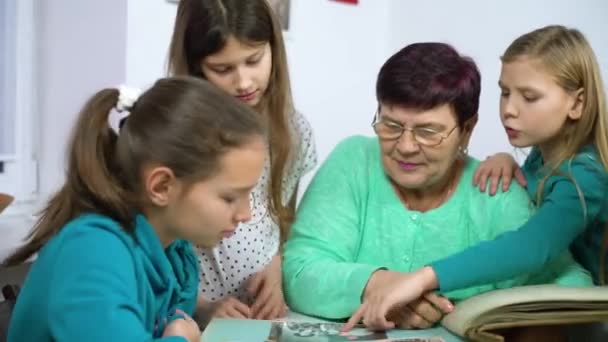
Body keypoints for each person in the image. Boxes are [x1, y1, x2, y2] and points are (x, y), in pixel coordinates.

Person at [282, 42, 591, 330]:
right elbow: (298, 269)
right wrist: (380, 285)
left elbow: (571, 283)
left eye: (428, 132)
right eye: (390, 125)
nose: (405, 146)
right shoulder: (353, 160)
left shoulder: (495, 189)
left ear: (467, 130)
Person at [3, 77, 267, 341]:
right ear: (162, 186)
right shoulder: (93, 251)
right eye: (230, 197)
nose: (246, 214)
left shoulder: (173, 253)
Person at [167, 0, 317, 320]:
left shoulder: (292, 131)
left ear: (273, 48)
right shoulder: (175, 132)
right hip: (189, 313)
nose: (244, 82)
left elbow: (282, 216)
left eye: (254, 60)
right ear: (196, 67)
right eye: (223, 69)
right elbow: (154, 244)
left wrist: (275, 272)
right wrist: (199, 306)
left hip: (261, 313)